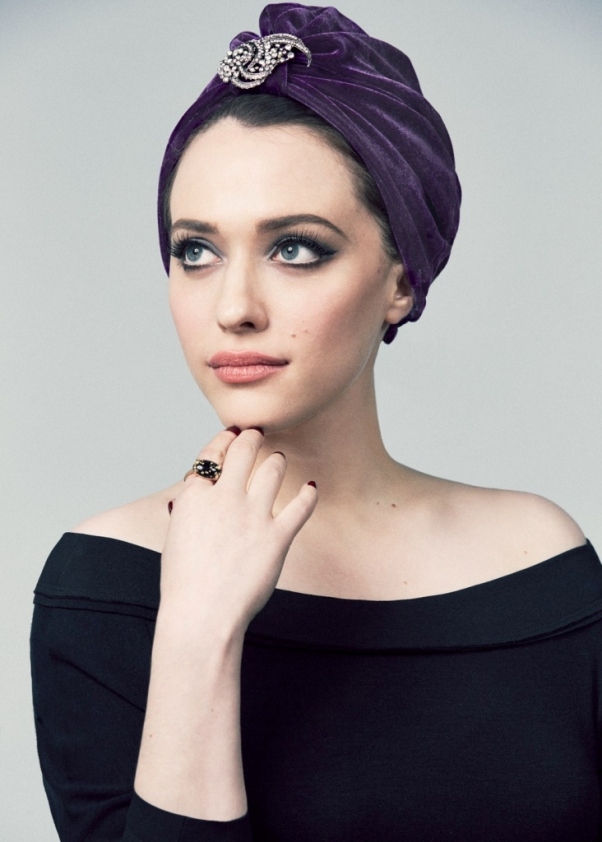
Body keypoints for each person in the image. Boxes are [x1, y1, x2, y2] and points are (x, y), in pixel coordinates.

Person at [29, 4, 602, 841]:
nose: (234, 307)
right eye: (196, 251)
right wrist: (196, 629)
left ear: (401, 281)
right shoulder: (101, 585)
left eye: (295, 248)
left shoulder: (541, 557)